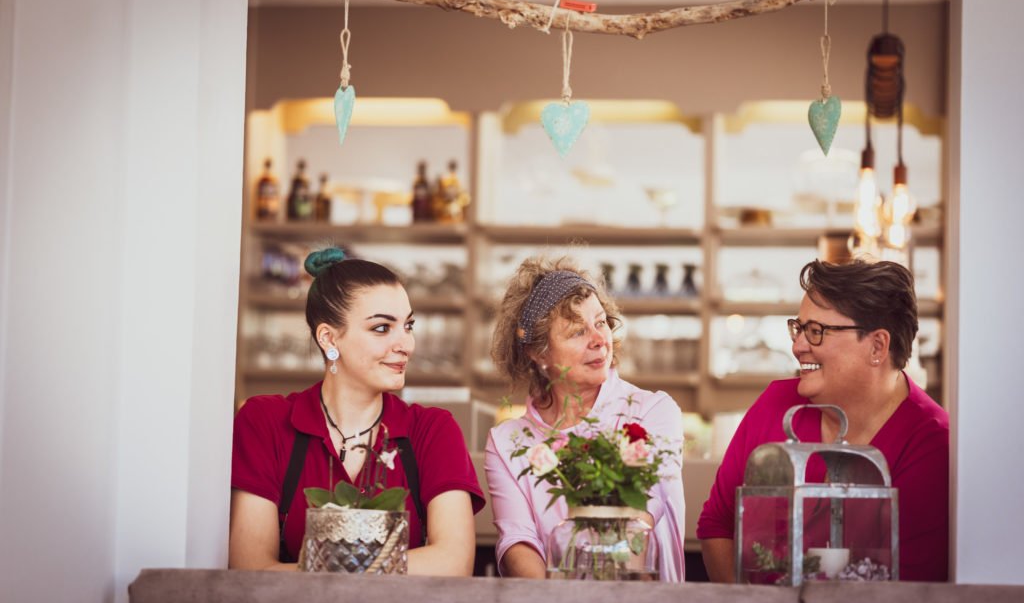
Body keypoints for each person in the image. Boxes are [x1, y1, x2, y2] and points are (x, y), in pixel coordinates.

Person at [230, 248, 484, 573]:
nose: (406, 344)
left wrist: (331, 569)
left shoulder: (432, 429)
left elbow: (454, 562)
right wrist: (380, 569)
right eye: (382, 328)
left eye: (408, 325)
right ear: (329, 338)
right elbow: (249, 568)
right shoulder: (265, 421)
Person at [698, 259, 949, 582]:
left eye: (816, 332)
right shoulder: (775, 404)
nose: (797, 346)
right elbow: (718, 525)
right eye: (799, 329)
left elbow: (911, 590)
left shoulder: (932, 444)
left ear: (877, 346)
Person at [484, 256, 686, 581]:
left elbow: (645, 510)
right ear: (538, 352)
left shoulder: (653, 411)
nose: (598, 339)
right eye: (578, 331)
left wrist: (603, 602)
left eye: (601, 322)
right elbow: (517, 541)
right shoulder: (507, 441)